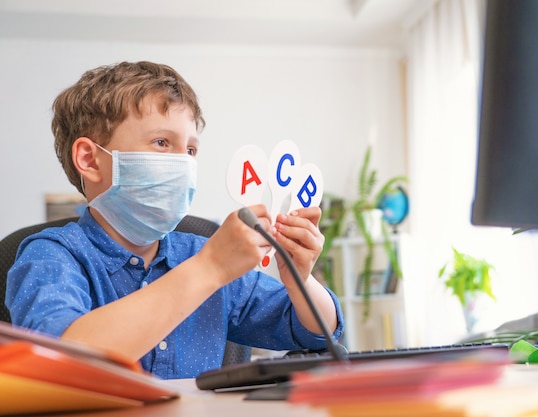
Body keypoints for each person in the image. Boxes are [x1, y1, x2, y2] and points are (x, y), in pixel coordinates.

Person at [5, 61, 344, 379]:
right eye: (162, 142)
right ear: (90, 159)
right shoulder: (50, 256)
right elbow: (63, 363)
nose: (183, 164)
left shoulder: (201, 249)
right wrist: (208, 269)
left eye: (191, 150)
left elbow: (318, 331)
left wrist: (302, 280)